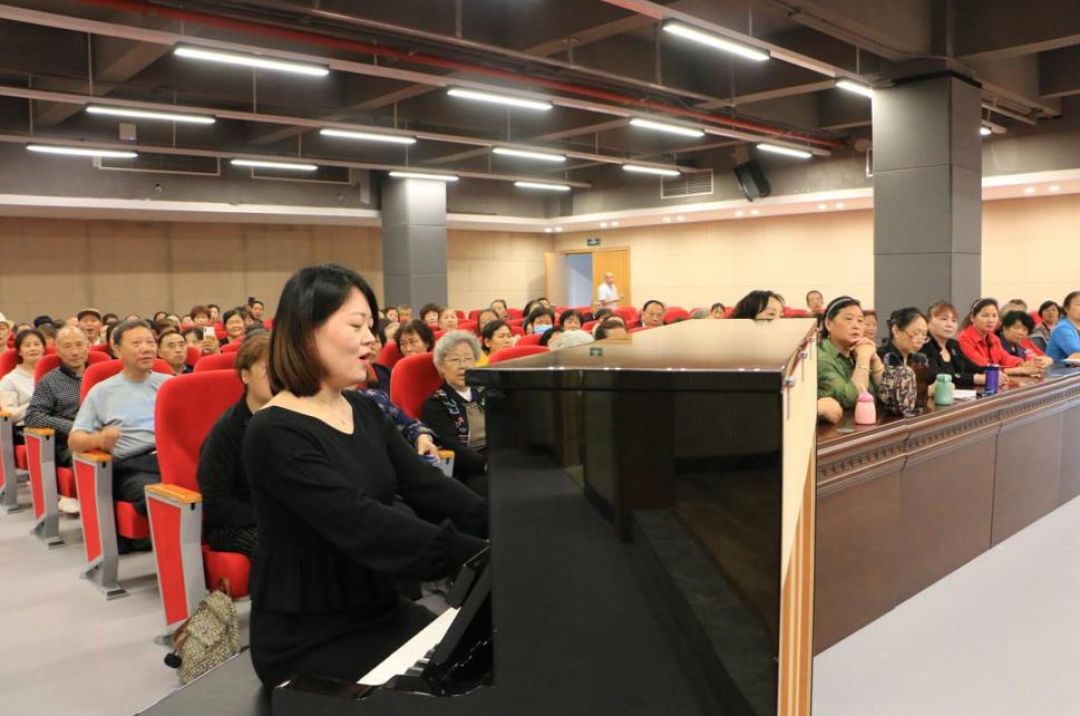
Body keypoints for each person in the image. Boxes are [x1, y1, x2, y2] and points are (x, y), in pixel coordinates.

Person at [242, 263, 486, 689]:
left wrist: (503, 523)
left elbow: (426, 486)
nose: (371, 339)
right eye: (356, 325)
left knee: (483, 658)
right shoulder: (274, 431)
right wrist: (476, 553)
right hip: (308, 636)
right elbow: (364, 522)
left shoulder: (366, 409)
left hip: (379, 607)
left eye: (371, 326)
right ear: (305, 331)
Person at [69, 320, 170, 549]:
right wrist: (98, 439)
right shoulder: (102, 392)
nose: (146, 348)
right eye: (136, 343)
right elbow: (75, 441)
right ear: (116, 350)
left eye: (150, 342)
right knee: (165, 496)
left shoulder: (169, 385)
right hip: (133, 466)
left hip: (170, 458)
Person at [197, 334, 270, 558]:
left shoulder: (296, 419)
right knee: (282, 547)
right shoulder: (226, 430)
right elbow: (216, 503)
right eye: (269, 371)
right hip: (235, 524)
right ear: (246, 375)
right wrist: (273, 516)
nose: (279, 378)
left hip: (283, 515)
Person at [25, 326, 89, 515]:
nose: (75, 351)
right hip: (69, 441)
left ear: (88, 347)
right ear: (58, 350)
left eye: (79, 345)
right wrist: (71, 427)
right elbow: (33, 416)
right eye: (67, 346)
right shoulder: (50, 381)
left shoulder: (102, 376)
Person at [422, 331, 489, 496]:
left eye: (468, 359)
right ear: (441, 367)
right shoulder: (436, 403)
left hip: (498, 457)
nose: (463, 365)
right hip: (467, 469)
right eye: (454, 359)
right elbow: (453, 448)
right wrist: (487, 464)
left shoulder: (488, 390)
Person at [817, 296, 884, 422]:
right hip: (831, 434)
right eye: (849, 319)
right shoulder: (820, 357)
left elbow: (888, 395)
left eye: (860, 321)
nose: (856, 326)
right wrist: (864, 358)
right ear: (828, 324)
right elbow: (852, 399)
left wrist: (875, 360)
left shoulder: (856, 351)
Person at [957, 298, 1041, 376]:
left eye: (994, 316)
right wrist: (1020, 370)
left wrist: (1022, 364)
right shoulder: (964, 339)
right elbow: (983, 368)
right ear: (972, 318)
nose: (990, 320)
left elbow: (1005, 358)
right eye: (985, 316)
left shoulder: (993, 338)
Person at [923, 301, 985, 389]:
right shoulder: (924, 345)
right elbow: (938, 376)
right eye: (944, 319)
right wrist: (975, 378)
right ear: (928, 322)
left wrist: (988, 371)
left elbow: (971, 367)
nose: (949, 325)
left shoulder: (953, 345)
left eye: (954, 320)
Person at [0, 328, 46, 443]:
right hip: (28, 429)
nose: (33, 348)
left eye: (36, 344)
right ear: (19, 351)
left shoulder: (56, 374)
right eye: (27, 345)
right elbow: (9, 414)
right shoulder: (10, 380)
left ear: (43, 348)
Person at [1047, 291, 1080, 362]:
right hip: (1060, 371)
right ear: (1066, 309)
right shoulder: (1062, 329)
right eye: (1078, 304)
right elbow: (1076, 352)